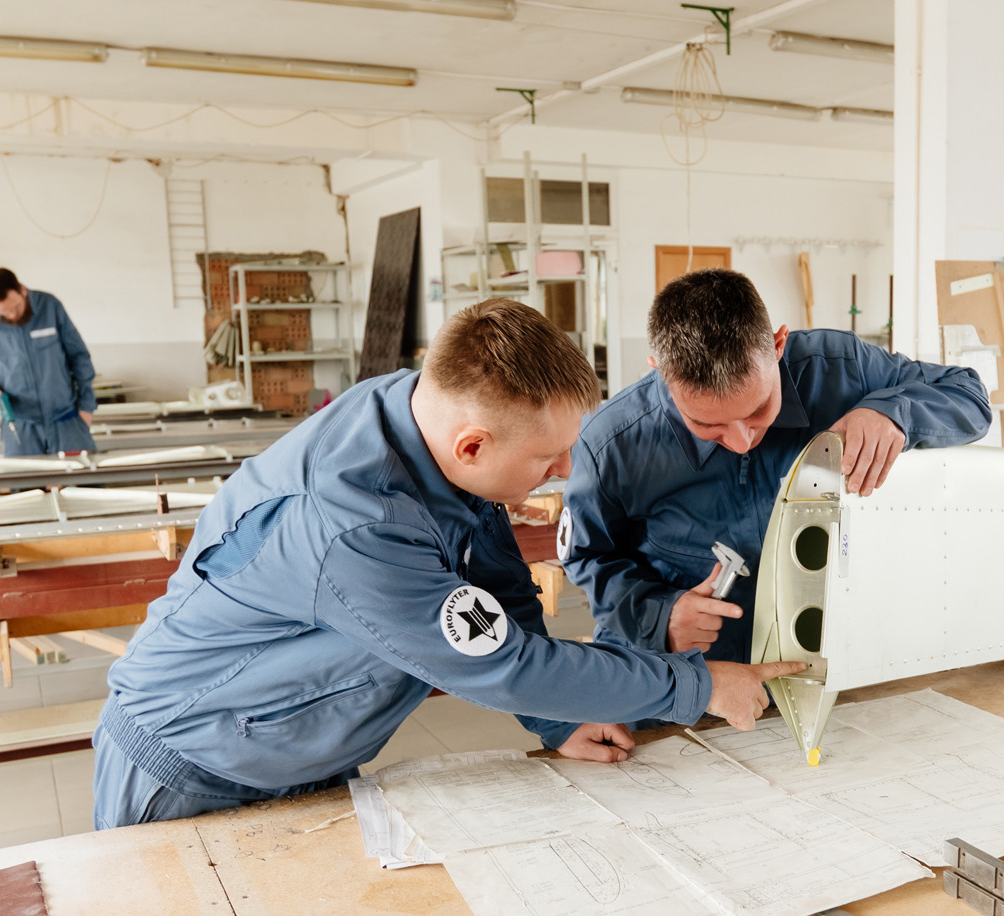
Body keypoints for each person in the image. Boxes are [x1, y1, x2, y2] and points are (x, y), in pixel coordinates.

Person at [93, 297, 801, 829]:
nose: (561, 472)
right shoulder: (359, 525)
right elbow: (504, 664)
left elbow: (498, 594)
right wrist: (697, 684)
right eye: (546, 459)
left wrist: (555, 721)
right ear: (473, 445)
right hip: (191, 768)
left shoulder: (425, 420)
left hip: (293, 751)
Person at [562, 268, 992, 663]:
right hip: (685, 672)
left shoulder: (839, 369)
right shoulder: (610, 443)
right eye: (707, 425)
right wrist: (659, 618)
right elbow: (588, 557)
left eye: (758, 409)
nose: (741, 439)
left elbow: (969, 395)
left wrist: (895, 411)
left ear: (779, 345)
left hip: (824, 658)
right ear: (661, 373)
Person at [0, 268, 98, 457]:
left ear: (23, 290)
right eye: (4, 313)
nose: (12, 315)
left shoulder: (50, 306)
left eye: (16, 307)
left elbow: (79, 355)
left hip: (66, 417)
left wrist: (86, 406)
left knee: (84, 480)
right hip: (19, 423)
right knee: (24, 483)